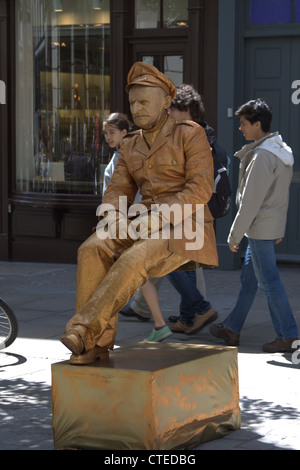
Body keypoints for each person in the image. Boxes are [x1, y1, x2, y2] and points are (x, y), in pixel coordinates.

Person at [60, 62, 218, 364]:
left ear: (166, 103)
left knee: (134, 258)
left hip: (186, 225)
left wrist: (158, 218)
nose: (137, 108)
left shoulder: (189, 134)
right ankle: (97, 346)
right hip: (141, 220)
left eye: (144, 101)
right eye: (133, 102)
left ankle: (83, 330)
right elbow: (118, 190)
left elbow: (200, 188)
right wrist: (114, 218)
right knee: (91, 249)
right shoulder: (130, 144)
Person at [120, 84, 223, 334]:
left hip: (186, 210)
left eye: (171, 109)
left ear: (185, 109)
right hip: (178, 210)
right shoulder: (183, 133)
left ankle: (200, 307)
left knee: (169, 260)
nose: (167, 114)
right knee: (177, 262)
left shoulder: (195, 136)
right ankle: (190, 316)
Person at [210, 98, 299, 352]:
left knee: (269, 282)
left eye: (243, 123)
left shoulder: (262, 156)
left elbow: (251, 201)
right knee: (250, 281)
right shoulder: (278, 151)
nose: (240, 128)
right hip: (266, 228)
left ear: (257, 124)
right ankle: (232, 328)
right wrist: (278, 230)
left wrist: (234, 236)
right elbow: (280, 198)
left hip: (258, 228)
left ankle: (288, 335)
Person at [102, 112, 172, 341]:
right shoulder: (124, 156)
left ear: (124, 132)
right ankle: (159, 324)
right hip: (128, 222)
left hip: (130, 223)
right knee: (138, 276)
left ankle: (101, 328)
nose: (108, 137)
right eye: (105, 133)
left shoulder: (132, 157)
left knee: (127, 274)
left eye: (112, 132)